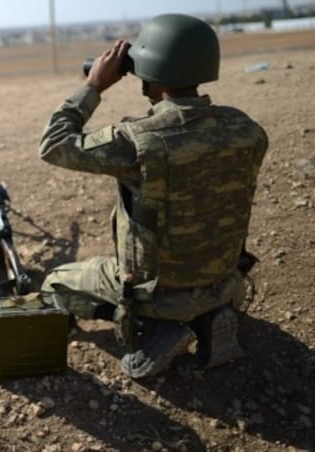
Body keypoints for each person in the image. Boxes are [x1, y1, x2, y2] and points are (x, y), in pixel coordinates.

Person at [37, 14, 267, 379]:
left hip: (154, 292)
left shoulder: (137, 141)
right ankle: (210, 317)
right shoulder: (247, 130)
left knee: (55, 282)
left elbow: (53, 146)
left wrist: (93, 85)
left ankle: (159, 330)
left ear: (151, 71)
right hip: (225, 281)